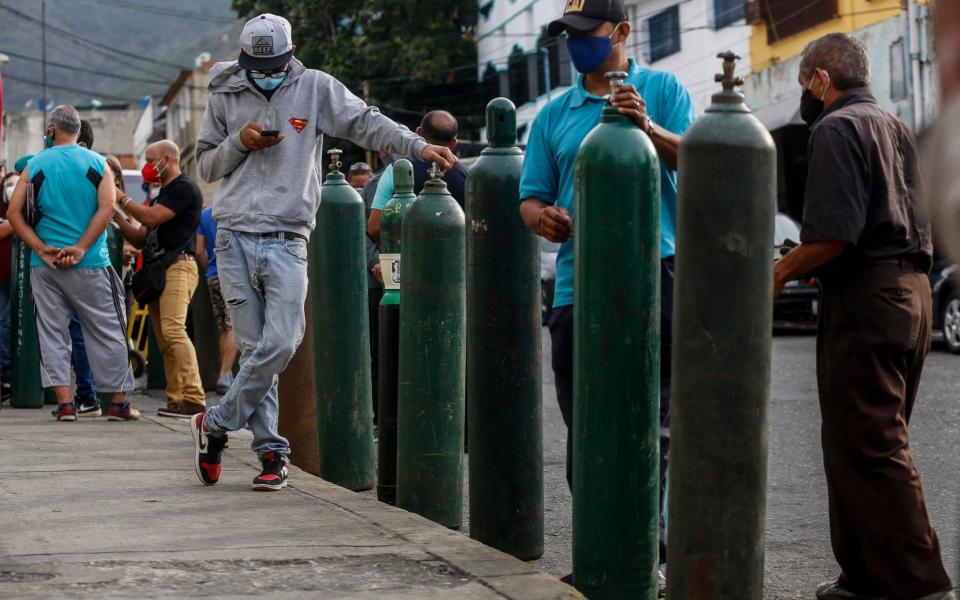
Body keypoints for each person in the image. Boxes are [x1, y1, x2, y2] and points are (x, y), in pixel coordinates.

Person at [191, 12, 457, 492]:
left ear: (290, 57)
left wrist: (417, 147)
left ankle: (214, 424)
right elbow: (207, 164)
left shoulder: (315, 88)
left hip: (289, 236)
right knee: (254, 348)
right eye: (258, 64)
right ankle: (272, 452)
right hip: (233, 234)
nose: (266, 73)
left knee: (282, 342)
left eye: (275, 65)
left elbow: (368, 123)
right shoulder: (224, 92)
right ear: (245, 58)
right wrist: (240, 142)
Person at [517, 0, 696, 582]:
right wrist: (542, 217)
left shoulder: (663, 89)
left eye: (585, 32)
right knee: (586, 427)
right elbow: (531, 197)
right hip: (575, 287)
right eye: (567, 35)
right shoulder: (552, 114)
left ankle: (646, 555)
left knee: (655, 419)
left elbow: (703, 164)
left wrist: (648, 126)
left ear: (620, 31)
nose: (575, 44)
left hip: (656, 275)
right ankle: (603, 547)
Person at [773, 33, 953, 600]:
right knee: (855, 441)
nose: (804, 95)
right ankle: (863, 575)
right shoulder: (896, 125)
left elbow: (832, 237)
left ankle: (924, 586)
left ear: (821, 80)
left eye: (805, 83)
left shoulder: (836, 127)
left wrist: (775, 273)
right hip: (913, 293)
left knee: (871, 444)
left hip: (868, 298)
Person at [6, 105, 139, 422]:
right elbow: (107, 209)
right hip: (92, 261)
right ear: (78, 131)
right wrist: (80, 248)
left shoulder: (35, 165)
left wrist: (41, 247)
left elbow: (13, 214)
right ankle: (118, 404)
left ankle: (66, 404)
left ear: (50, 130)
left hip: (45, 265)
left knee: (52, 332)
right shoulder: (97, 163)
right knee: (109, 331)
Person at [114, 140, 205, 419]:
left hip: (179, 267)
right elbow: (141, 237)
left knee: (174, 330)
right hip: (160, 270)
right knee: (165, 338)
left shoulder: (183, 189)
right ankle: (176, 399)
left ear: (168, 159)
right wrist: (116, 216)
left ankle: (194, 398)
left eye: (151, 159)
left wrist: (120, 197)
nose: (147, 166)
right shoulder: (161, 195)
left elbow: (152, 219)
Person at [367, 110, 468, 241]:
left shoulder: (396, 170)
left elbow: (374, 227)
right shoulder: (470, 178)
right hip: (457, 258)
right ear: (454, 143)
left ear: (418, 133)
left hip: (406, 258)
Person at [196, 205, 238, 395]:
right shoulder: (235, 211)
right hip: (233, 274)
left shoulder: (205, 214)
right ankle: (225, 373)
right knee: (235, 326)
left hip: (212, 275)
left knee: (224, 326)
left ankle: (225, 375)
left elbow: (199, 251)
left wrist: (208, 270)